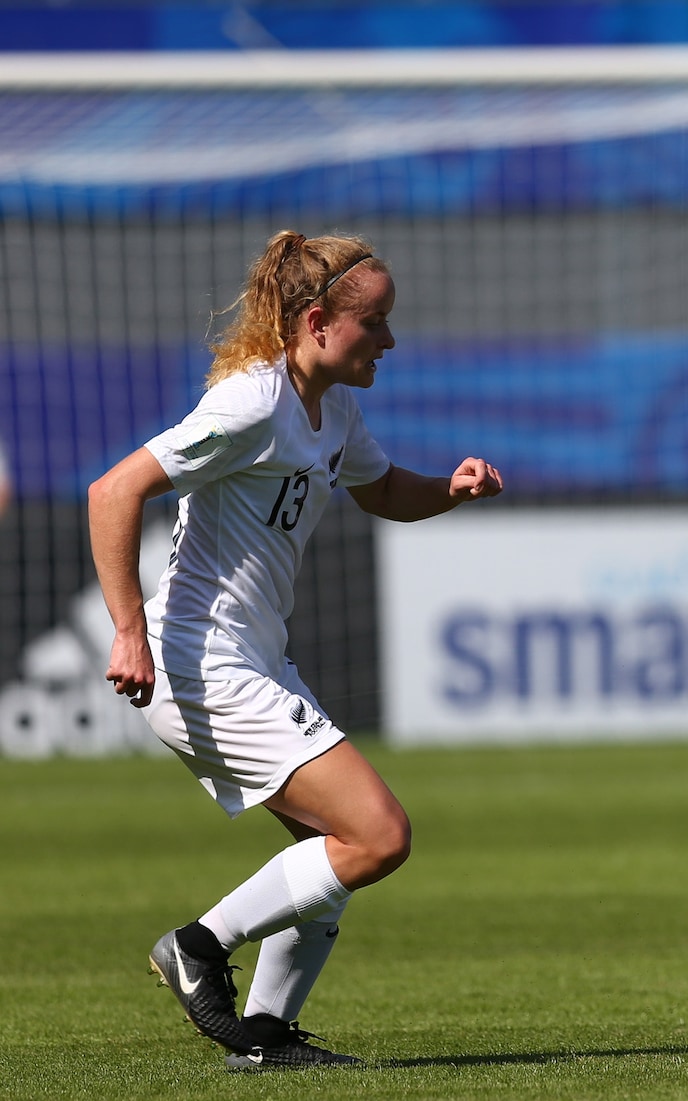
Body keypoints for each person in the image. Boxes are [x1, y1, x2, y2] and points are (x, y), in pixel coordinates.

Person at [89, 231, 503, 1070]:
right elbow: (114, 488)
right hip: (200, 661)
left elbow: (383, 491)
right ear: (316, 322)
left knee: (329, 854)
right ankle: (198, 945)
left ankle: (266, 1037)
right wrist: (129, 629)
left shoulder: (336, 407)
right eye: (375, 322)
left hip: (255, 658)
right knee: (379, 834)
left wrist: (449, 491)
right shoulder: (251, 402)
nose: (388, 339)